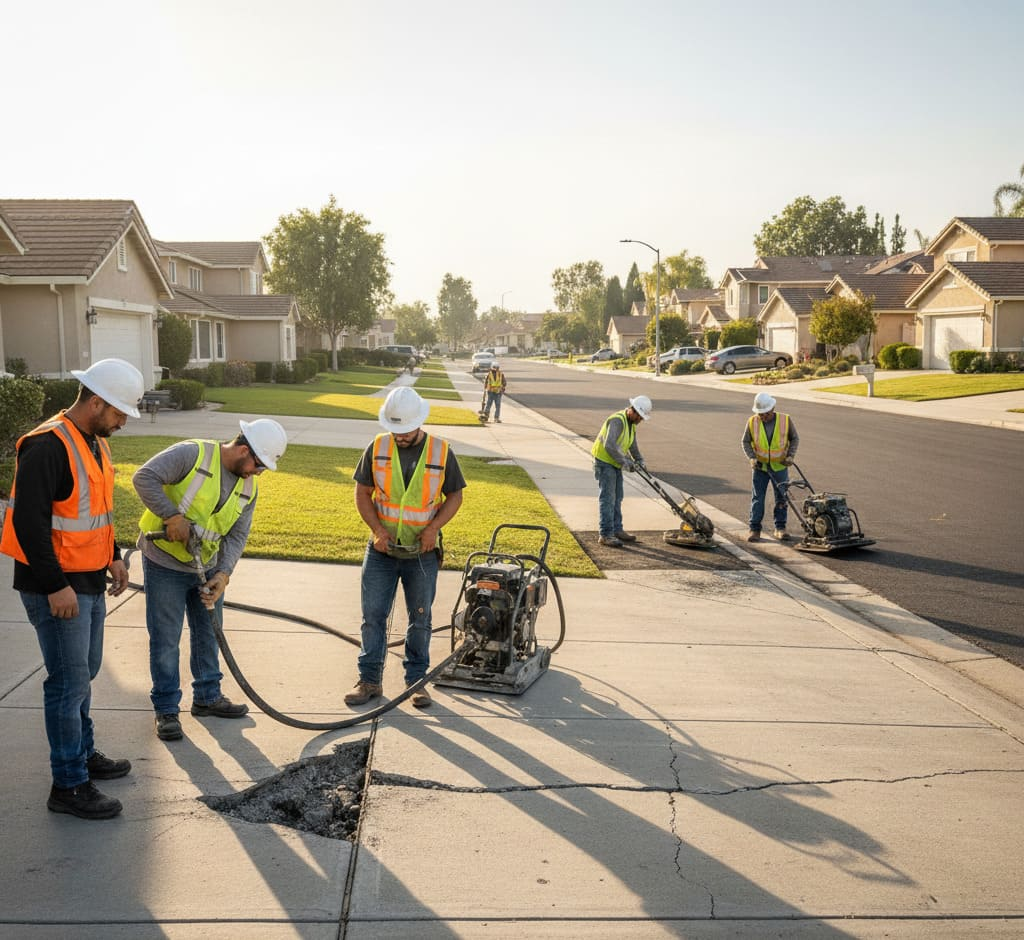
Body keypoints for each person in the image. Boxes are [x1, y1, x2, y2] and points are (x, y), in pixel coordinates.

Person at [1, 358, 144, 819]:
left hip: (87, 580)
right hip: (56, 588)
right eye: (119, 413)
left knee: (85, 672)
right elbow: (27, 523)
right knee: (68, 683)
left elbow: (94, 510)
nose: (122, 422)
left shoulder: (93, 443)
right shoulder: (47, 446)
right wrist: (55, 586)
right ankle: (68, 784)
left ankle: (81, 754)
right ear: (96, 401)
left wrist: (114, 556)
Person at [132, 418, 288, 741]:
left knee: (208, 633)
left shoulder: (249, 487)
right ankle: (166, 709)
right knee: (165, 639)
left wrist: (224, 574)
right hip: (165, 562)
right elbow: (143, 477)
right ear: (244, 450)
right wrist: (171, 515)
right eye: (258, 465)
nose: (259, 473)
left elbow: (237, 535)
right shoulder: (194, 454)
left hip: (207, 568)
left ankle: (207, 696)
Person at [345, 386, 466, 709]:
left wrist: (433, 529)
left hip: (421, 554)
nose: (398, 436)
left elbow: (455, 495)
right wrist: (377, 530)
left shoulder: (441, 452)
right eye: (393, 429)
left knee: (421, 618)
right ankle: (369, 681)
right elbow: (362, 493)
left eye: (404, 430)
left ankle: (417, 682)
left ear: (419, 423)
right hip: (382, 552)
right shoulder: (377, 447)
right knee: (373, 617)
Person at [590, 395, 652, 548]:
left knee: (618, 497)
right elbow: (610, 446)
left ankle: (617, 530)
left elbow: (632, 444)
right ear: (634, 411)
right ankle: (605, 534)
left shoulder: (631, 423)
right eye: (640, 417)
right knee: (608, 499)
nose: (641, 420)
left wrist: (639, 460)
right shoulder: (618, 420)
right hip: (604, 462)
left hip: (614, 463)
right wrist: (625, 463)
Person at [742, 391, 800, 542]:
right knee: (757, 499)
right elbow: (745, 441)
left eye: (765, 414)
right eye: (760, 414)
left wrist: (790, 456)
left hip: (780, 466)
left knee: (781, 498)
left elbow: (794, 439)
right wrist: (752, 458)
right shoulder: (752, 421)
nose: (763, 417)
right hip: (760, 468)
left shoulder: (785, 420)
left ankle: (780, 528)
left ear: (772, 409)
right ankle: (754, 529)